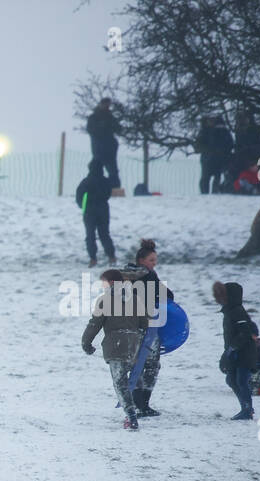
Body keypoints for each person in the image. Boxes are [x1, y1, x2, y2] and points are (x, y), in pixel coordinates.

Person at [82, 269, 149, 430]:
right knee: (134, 378)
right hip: (134, 346)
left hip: (115, 346)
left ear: (111, 283)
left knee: (120, 383)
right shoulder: (135, 298)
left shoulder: (104, 300)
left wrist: (86, 343)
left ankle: (131, 416)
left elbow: (95, 324)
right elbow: (145, 324)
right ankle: (141, 405)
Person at [123, 238, 172, 416]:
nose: (154, 263)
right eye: (151, 260)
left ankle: (135, 403)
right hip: (148, 327)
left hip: (129, 326)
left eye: (155, 260)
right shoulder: (149, 276)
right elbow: (168, 295)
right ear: (142, 261)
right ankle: (142, 404)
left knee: (136, 365)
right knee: (151, 365)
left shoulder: (125, 275)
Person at [214, 281, 259, 420]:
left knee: (240, 380)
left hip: (244, 353)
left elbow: (246, 332)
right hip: (234, 352)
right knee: (231, 380)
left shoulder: (237, 311)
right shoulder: (230, 311)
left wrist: (233, 348)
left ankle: (247, 410)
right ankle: (246, 408)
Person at [76, 159, 116, 267]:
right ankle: (111, 256)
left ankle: (93, 258)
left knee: (90, 235)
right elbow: (108, 194)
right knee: (104, 234)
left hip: (89, 211)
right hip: (103, 210)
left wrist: (83, 206)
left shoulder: (86, 182)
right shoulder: (106, 181)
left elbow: (79, 197)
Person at [86, 98, 120, 186]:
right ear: (101, 104)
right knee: (95, 168)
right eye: (105, 104)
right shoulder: (93, 117)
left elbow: (118, 129)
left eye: (108, 104)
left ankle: (114, 189)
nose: (106, 106)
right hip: (99, 148)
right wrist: (102, 127)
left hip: (109, 149)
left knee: (113, 170)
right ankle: (93, 188)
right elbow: (91, 130)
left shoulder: (110, 117)